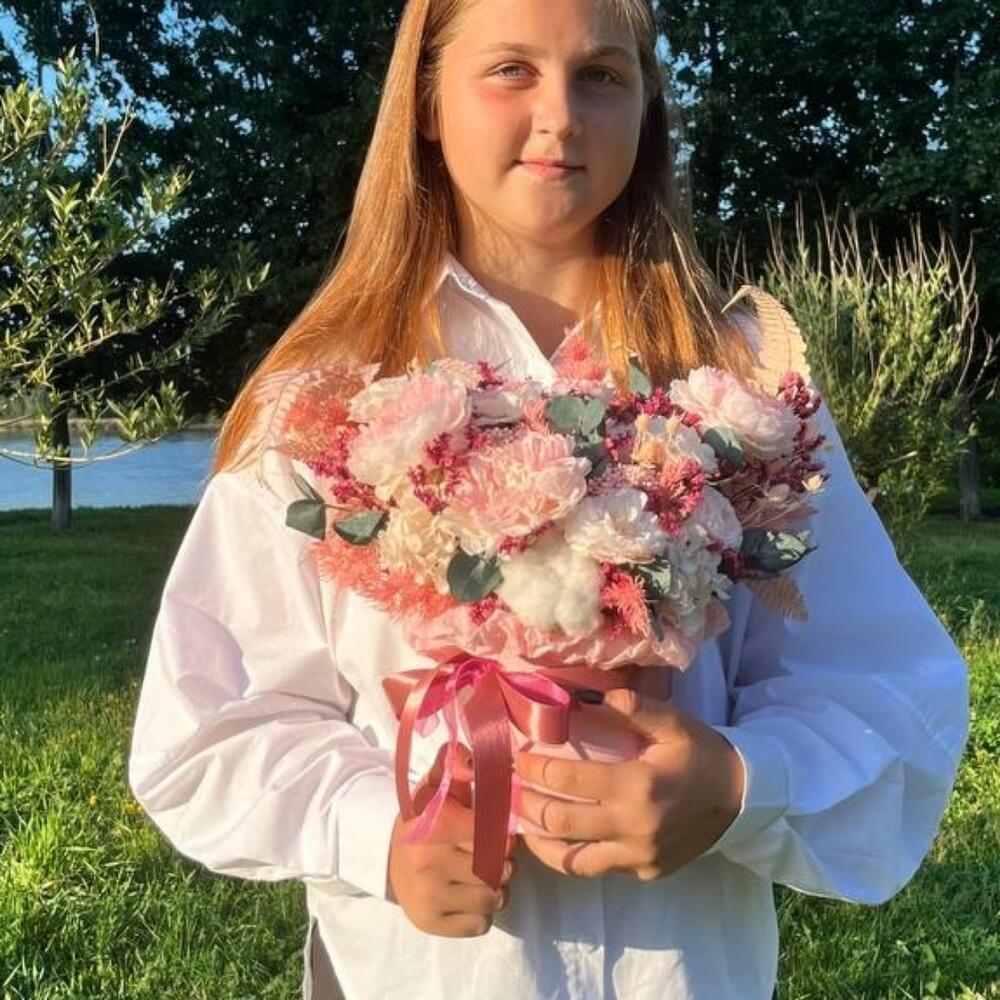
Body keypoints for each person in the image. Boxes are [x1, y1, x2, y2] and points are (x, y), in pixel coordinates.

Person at [127, 0, 970, 997]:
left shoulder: (739, 392)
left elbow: (887, 686)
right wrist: (377, 831)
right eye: (510, 70)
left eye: (601, 75)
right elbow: (209, 722)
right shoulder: (324, 399)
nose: (561, 116)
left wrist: (738, 781)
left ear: (648, 103)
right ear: (426, 102)